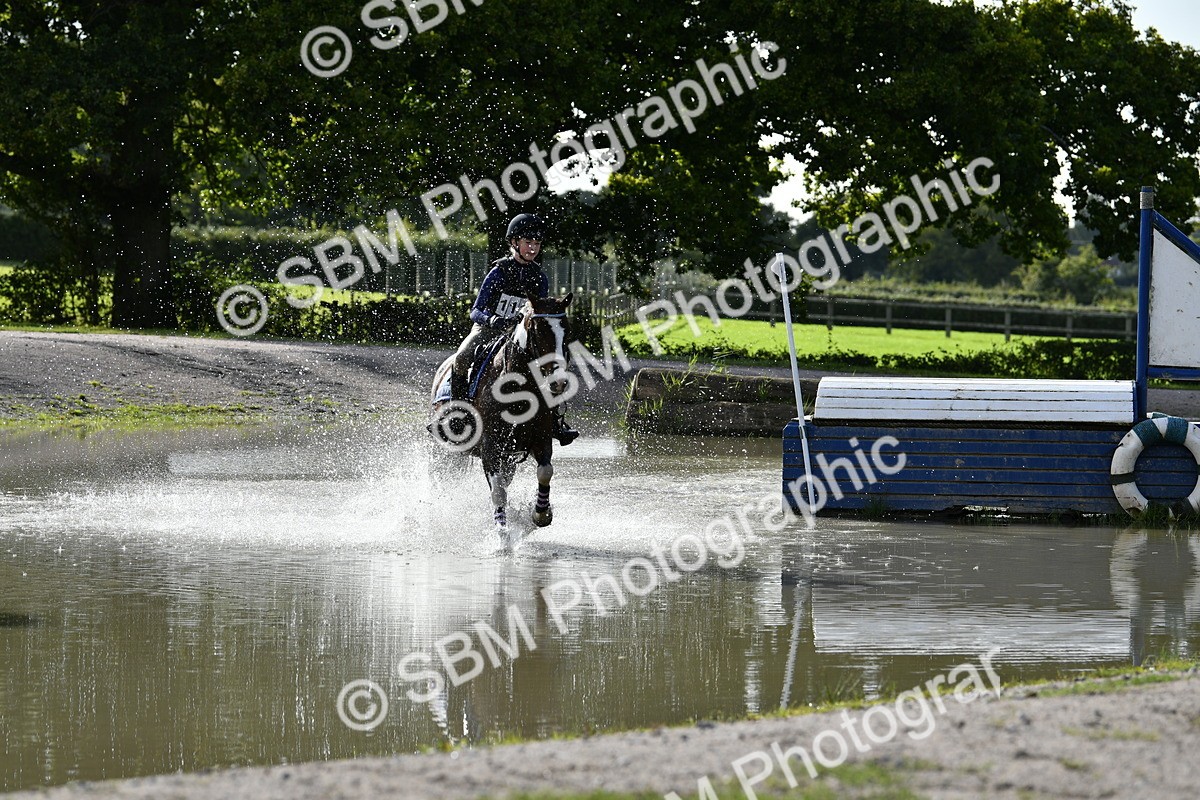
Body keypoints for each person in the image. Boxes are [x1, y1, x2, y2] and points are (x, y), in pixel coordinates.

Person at [450, 213, 579, 446]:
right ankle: (457, 414)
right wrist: (493, 321)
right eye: (528, 242)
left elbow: (540, 314)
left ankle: (555, 421)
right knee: (461, 358)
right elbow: (476, 310)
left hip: (520, 333)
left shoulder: (538, 278)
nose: (533, 248)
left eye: (537, 244)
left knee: (551, 364)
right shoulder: (498, 272)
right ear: (514, 243)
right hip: (488, 328)